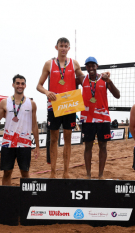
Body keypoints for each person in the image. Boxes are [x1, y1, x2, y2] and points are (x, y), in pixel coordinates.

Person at [37, 37, 84, 179]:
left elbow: (83, 80)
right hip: (54, 105)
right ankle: (52, 172)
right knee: (54, 139)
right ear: (56, 47)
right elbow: (39, 85)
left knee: (68, 140)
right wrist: (47, 92)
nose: (63, 48)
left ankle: (65, 172)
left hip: (70, 105)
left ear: (69, 48)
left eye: (66, 46)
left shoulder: (74, 63)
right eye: (61, 46)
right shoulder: (49, 64)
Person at [80, 57, 120, 179]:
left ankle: (101, 174)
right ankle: (88, 174)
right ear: (86, 67)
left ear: (97, 66)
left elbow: (117, 95)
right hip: (87, 119)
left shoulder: (104, 79)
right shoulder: (82, 79)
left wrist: (109, 81)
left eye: (93, 65)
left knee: (103, 146)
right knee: (88, 146)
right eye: (88, 66)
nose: (91, 68)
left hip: (103, 118)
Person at [0, 74, 39, 185]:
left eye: (22, 83)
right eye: (17, 83)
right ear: (13, 85)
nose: (20, 85)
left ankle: (26, 199)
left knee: (25, 173)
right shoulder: (4, 102)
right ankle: (6, 198)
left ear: (25, 85)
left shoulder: (31, 104)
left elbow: (34, 125)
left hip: (24, 143)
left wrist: (37, 146)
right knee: (7, 173)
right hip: (8, 143)